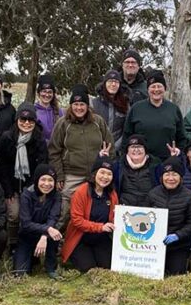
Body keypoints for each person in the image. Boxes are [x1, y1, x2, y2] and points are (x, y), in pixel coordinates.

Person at [49, 85, 115, 229]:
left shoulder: (98, 122)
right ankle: (55, 240)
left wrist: (105, 160)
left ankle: (90, 238)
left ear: (87, 106)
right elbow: (54, 151)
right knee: (64, 210)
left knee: (93, 209)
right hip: (72, 174)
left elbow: (110, 147)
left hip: (96, 174)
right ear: (71, 105)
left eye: (82, 104)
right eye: (76, 104)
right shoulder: (63, 123)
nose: (79, 108)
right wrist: (59, 175)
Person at [0, 103, 50, 245]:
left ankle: (29, 242)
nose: (26, 123)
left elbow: (42, 166)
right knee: (14, 215)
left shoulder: (39, 140)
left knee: (30, 214)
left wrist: (32, 188)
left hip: (31, 185)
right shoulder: (7, 138)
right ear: (17, 120)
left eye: (30, 120)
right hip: (11, 186)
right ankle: (13, 243)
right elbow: (1, 166)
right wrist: (8, 190)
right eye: (23, 120)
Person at [62, 156, 119, 273]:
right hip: (81, 238)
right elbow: (77, 220)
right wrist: (100, 227)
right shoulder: (81, 191)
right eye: (102, 172)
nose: (105, 177)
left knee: (107, 266)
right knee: (88, 268)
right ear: (94, 173)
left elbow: (114, 217)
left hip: (101, 238)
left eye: (109, 174)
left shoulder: (112, 194)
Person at [148, 156, 191, 276]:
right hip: (155, 244)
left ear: (181, 177)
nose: (170, 178)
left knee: (175, 273)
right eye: (167, 174)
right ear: (162, 177)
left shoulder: (190, 197)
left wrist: (177, 235)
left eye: (174, 174)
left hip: (178, 245)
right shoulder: (152, 194)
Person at [121, 70, 187, 161]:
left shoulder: (173, 109)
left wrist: (178, 151)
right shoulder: (136, 108)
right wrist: (125, 157)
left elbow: (182, 138)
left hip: (168, 163)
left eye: (159, 86)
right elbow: (127, 136)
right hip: (141, 162)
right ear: (148, 89)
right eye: (153, 87)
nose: (156, 90)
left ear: (164, 88)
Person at [14, 164, 63, 278]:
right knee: (20, 274)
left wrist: (45, 234)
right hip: (27, 235)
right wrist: (47, 229)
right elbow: (26, 223)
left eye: (50, 180)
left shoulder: (57, 196)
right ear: (37, 180)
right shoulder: (27, 194)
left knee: (55, 234)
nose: (46, 184)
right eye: (43, 179)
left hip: (47, 236)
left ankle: (51, 267)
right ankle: (32, 257)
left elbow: (53, 218)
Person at [113, 134, 161, 207]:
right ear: (127, 150)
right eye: (132, 147)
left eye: (139, 147)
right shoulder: (118, 166)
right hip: (124, 209)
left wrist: (177, 157)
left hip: (150, 209)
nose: (136, 150)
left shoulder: (156, 165)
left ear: (145, 150)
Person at [91, 69, 133, 151]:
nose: (113, 84)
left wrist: (115, 146)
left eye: (116, 82)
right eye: (110, 81)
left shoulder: (125, 105)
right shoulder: (93, 103)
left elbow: (127, 128)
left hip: (118, 151)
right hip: (96, 150)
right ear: (104, 83)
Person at [34, 74, 64, 144]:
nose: (47, 95)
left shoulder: (59, 112)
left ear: (53, 94)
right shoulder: (33, 111)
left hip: (56, 152)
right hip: (40, 151)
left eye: (50, 92)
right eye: (44, 91)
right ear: (38, 93)